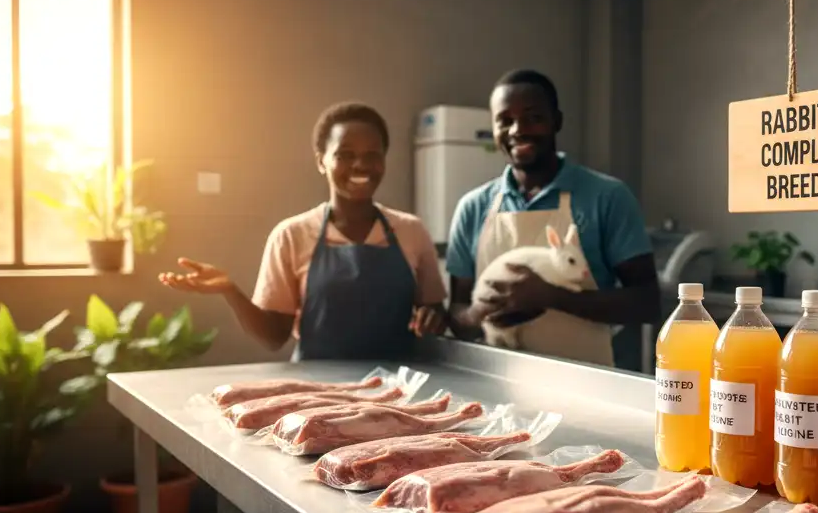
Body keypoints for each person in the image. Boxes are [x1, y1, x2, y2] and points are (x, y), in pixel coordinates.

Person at [160, 102, 448, 360]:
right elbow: (273, 337)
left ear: (384, 160)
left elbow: (435, 314)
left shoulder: (412, 231)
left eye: (372, 155)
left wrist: (431, 318)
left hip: (400, 391)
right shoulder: (291, 235)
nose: (360, 165)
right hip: (318, 392)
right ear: (321, 161)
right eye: (345, 155)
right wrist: (230, 291)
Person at [446, 69, 659, 366]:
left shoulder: (606, 197)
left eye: (533, 117)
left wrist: (553, 297)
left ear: (556, 121)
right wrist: (475, 314)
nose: (517, 130)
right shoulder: (473, 208)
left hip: (585, 384)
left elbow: (647, 302)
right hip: (499, 384)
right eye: (504, 120)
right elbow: (457, 312)